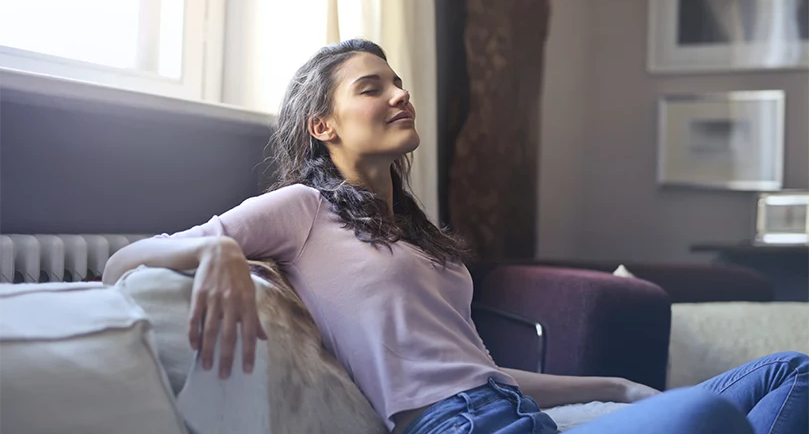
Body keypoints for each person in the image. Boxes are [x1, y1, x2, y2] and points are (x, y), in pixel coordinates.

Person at [103, 39, 809, 434]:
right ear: (323, 125)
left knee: (790, 371)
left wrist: (617, 386)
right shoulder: (301, 209)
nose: (400, 94)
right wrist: (218, 247)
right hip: (459, 429)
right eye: (372, 87)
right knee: (711, 415)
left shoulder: (418, 237)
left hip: (507, 408)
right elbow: (121, 261)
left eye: (399, 81)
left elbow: (480, 371)